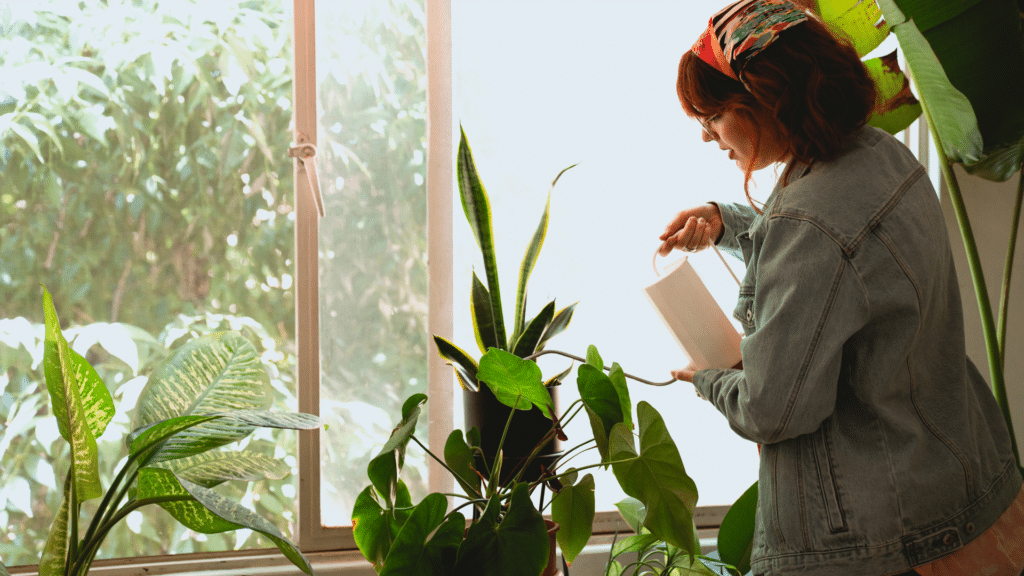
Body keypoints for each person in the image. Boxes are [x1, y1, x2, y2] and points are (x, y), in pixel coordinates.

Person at [659, 1, 1024, 575]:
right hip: (959, 493)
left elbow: (772, 409)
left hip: (880, 542)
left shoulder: (807, 222)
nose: (708, 136)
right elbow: (846, 266)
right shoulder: (884, 158)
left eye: (713, 114)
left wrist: (706, 379)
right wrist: (727, 222)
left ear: (766, 101)